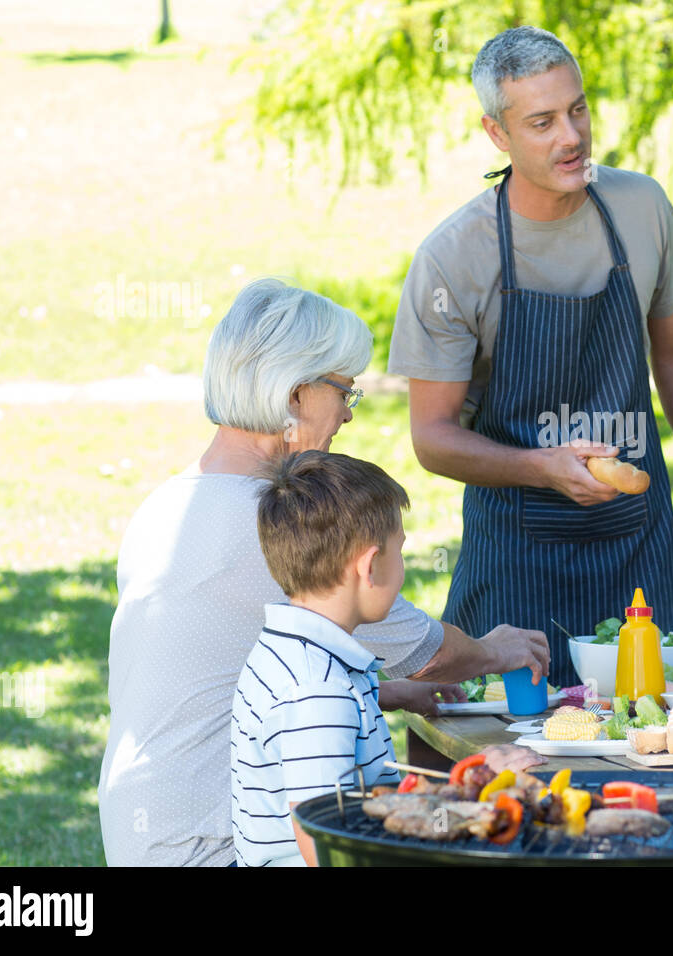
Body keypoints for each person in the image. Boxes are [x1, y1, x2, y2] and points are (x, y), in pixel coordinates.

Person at [99, 278, 548, 867]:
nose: (347, 416)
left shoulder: (168, 503)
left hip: (145, 835)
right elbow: (427, 653)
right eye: (343, 392)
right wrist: (495, 650)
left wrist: (378, 693)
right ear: (293, 397)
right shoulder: (266, 519)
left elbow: (228, 680)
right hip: (212, 845)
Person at [387, 26, 673, 686]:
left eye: (578, 109)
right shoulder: (454, 257)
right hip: (517, 554)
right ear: (497, 133)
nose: (572, 136)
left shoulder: (641, 208)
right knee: (511, 762)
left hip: (640, 539)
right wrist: (543, 467)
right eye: (542, 121)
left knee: (663, 748)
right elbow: (432, 438)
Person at [233, 451, 411, 867]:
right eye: (399, 551)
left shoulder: (290, 650)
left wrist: (400, 693)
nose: (402, 565)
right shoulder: (317, 688)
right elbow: (321, 843)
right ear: (369, 566)